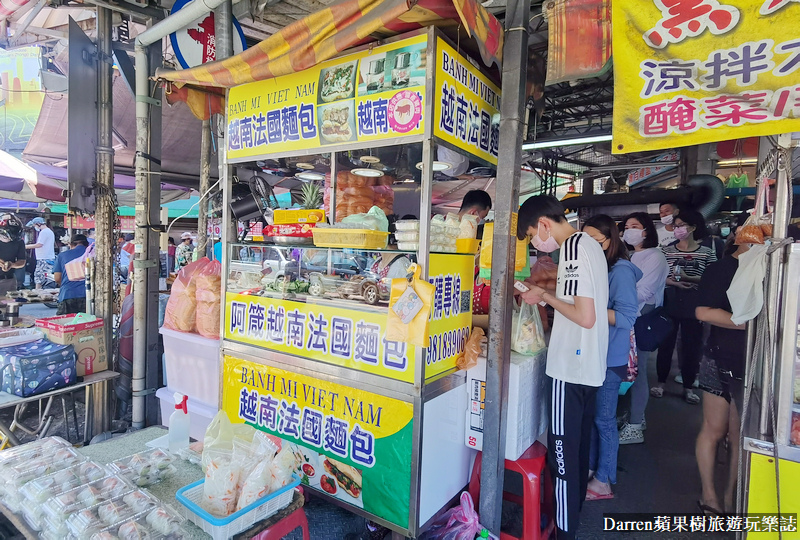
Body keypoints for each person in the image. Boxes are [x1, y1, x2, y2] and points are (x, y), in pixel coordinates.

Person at [517, 195, 608, 540]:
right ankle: (572, 517)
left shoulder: (570, 247)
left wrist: (544, 297)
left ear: (543, 224)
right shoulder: (589, 244)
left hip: (570, 367)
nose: (538, 243)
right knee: (579, 449)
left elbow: (584, 316)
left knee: (563, 460)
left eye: (532, 235)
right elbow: (583, 303)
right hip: (590, 367)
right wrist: (546, 292)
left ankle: (564, 532)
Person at [582, 215, 640, 501]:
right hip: (595, 353)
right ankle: (594, 470)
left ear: (610, 240)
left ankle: (604, 481)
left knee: (604, 419)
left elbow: (627, 317)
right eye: (585, 241)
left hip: (610, 357)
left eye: (597, 241)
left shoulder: (621, 272)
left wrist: (582, 309)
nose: (591, 247)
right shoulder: (598, 267)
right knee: (595, 416)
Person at [694, 214, 749, 516]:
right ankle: (709, 495)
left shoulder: (772, 271)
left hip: (753, 364)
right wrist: (748, 324)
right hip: (719, 357)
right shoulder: (721, 268)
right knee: (714, 430)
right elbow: (702, 311)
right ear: (738, 234)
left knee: (737, 436)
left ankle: (732, 498)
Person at [652, 209, 717, 404]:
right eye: (676, 226)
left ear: (693, 227)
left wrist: (685, 278)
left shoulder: (707, 252)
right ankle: (660, 383)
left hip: (695, 307)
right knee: (665, 345)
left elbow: (712, 280)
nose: (677, 229)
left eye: (681, 226)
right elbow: (660, 277)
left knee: (692, 348)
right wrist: (677, 282)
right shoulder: (666, 251)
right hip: (670, 303)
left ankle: (689, 387)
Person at [618, 212, 669, 445]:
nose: (629, 230)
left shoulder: (654, 256)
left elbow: (645, 292)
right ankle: (637, 416)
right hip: (629, 317)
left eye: (635, 226)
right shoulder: (631, 255)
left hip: (640, 318)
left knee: (637, 375)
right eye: (627, 226)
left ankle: (636, 426)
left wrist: (613, 299)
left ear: (646, 231)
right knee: (631, 372)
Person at [53, 234, 89, 315]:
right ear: (87, 245)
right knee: (86, 325)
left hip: (67, 294)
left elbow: (57, 278)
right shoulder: (92, 254)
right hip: (88, 296)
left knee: (66, 324)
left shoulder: (62, 255)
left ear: (71, 244)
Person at [0, 214, 27, 296]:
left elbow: (22, 261)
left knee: (9, 307)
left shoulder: (19, 242)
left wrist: (12, 265)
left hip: (8, 280)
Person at [25, 217, 55, 289]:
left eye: (35, 225)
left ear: (38, 224)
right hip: (47, 258)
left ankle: (38, 293)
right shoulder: (49, 231)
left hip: (43, 259)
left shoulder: (44, 232)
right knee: (47, 278)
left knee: (39, 278)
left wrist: (25, 247)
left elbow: (39, 244)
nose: (35, 227)